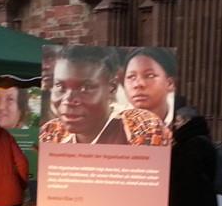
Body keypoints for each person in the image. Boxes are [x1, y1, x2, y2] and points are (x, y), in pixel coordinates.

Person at [39, 46, 170, 146]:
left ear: (111, 88)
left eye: (86, 88)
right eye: (60, 87)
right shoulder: (50, 133)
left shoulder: (143, 128)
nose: (68, 100)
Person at [122, 47, 177, 127]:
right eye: (131, 77)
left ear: (170, 83)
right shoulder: (117, 126)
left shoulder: (184, 123)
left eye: (150, 76)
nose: (138, 84)